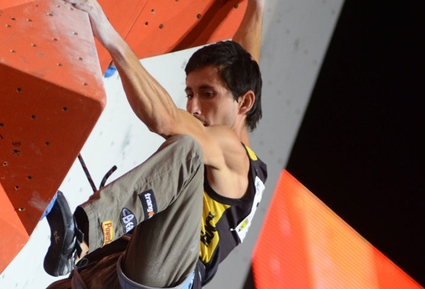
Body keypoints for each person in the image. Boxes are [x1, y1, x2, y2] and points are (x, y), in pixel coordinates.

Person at [44, 0, 267, 288]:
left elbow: (166, 120)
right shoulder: (241, 148)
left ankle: (82, 236)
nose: (193, 107)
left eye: (207, 94)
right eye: (189, 93)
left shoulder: (230, 149)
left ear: (245, 102)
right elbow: (247, 58)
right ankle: (81, 242)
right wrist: (257, 7)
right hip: (123, 268)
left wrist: (107, 33)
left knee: (187, 151)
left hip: (160, 275)